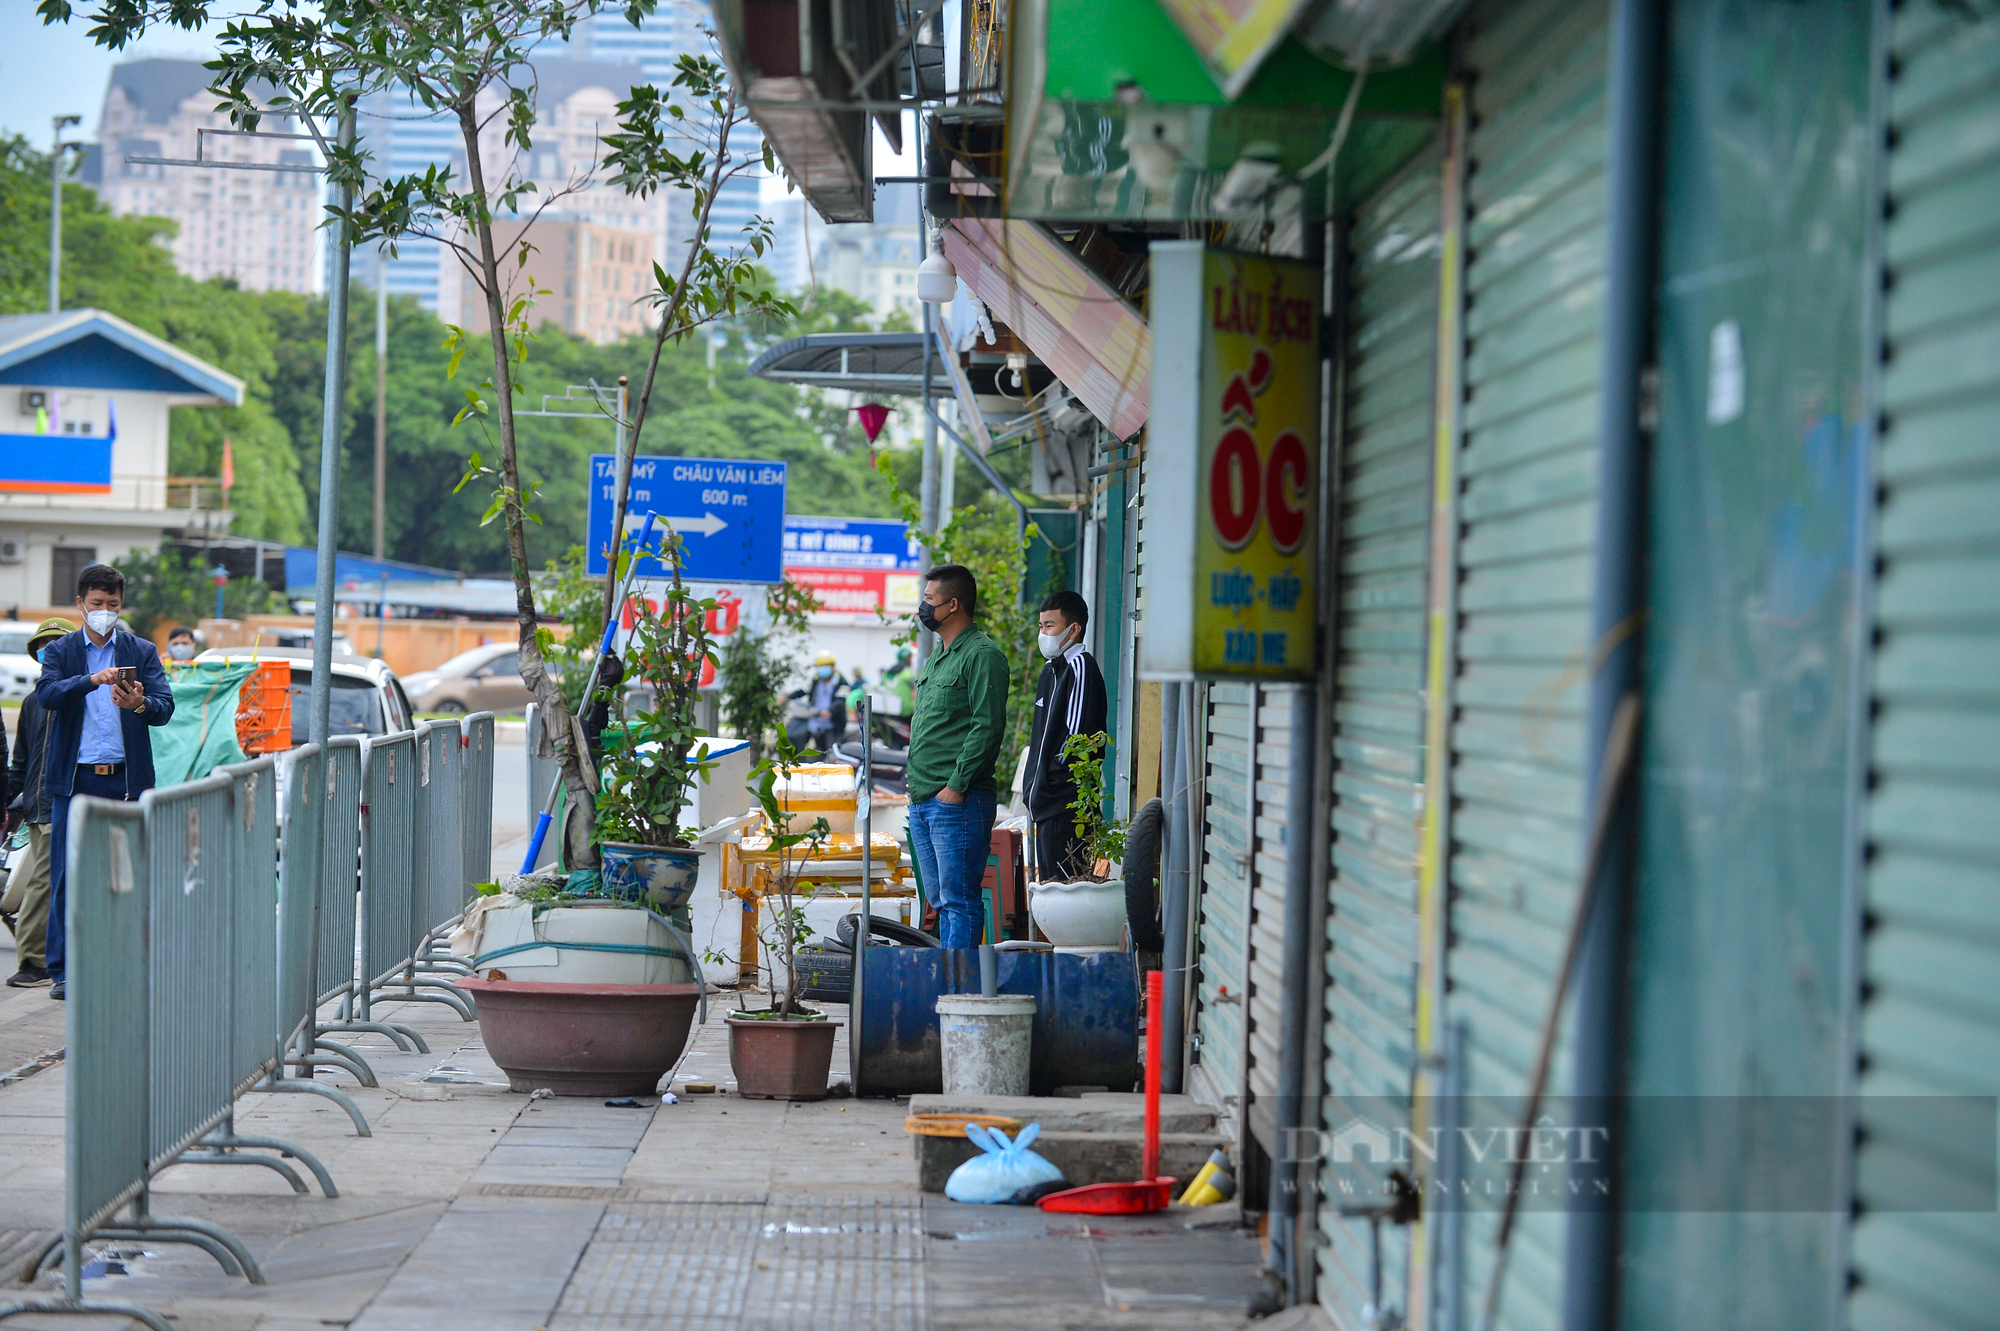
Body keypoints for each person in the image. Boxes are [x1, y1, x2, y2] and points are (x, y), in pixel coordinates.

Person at [37, 564, 174, 1001]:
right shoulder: (61, 651)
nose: (105, 612)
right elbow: (47, 695)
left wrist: (139, 704)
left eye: (112, 605)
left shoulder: (141, 650)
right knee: (66, 877)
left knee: (128, 875)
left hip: (125, 780)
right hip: (74, 781)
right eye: (97, 604)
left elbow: (165, 707)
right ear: (80, 604)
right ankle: (62, 971)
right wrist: (90, 680)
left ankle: (126, 962)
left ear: (121, 605)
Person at [904, 563, 1009, 948]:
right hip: (923, 799)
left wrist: (955, 787)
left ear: (952, 605)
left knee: (960, 901)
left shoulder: (982, 656)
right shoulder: (939, 656)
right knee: (941, 901)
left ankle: (959, 992)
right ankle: (949, 985)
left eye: (929, 599)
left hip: (956, 801)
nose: (923, 606)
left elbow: (987, 727)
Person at [2, 619, 72, 987]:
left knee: (53, 881)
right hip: (40, 806)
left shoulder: (77, 694)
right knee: (44, 881)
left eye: (56, 643)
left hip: (66, 802)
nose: (49, 651)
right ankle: (34, 961)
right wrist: (12, 807)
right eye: (44, 646)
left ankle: (47, 958)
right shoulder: (34, 701)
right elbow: (22, 760)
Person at [1022, 591, 1108, 882]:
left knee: (1066, 889)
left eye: (1050, 626)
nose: (1043, 633)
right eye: (1041, 626)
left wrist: (1051, 782)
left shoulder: (1081, 667)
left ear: (1074, 629)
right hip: (1044, 806)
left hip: (1065, 808)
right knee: (1051, 890)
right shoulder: (1050, 670)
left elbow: (1077, 741)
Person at [790, 650, 847, 751]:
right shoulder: (816, 681)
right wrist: (787, 697)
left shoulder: (841, 683)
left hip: (831, 724)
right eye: (820, 666)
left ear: (833, 666)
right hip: (814, 721)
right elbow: (803, 691)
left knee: (830, 751)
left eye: (826, 665)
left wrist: (830, 711)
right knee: (797, 746)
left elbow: (840, 701)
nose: (822, 668)